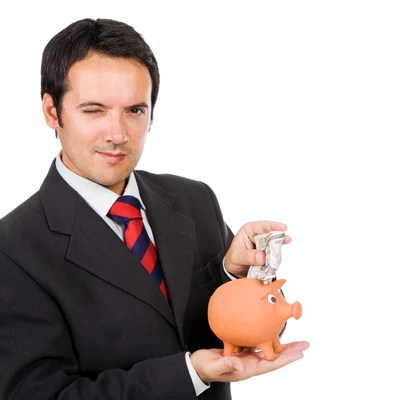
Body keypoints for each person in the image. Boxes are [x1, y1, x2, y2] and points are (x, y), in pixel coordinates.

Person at [0, 18, 308, 399]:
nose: (117, 133)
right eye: (94, 110)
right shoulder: (12, 249)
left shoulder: (195, 201)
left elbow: (255, 336)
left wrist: (240, 278)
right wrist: (189, 374)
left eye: (134, 111)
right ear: (52, 112)